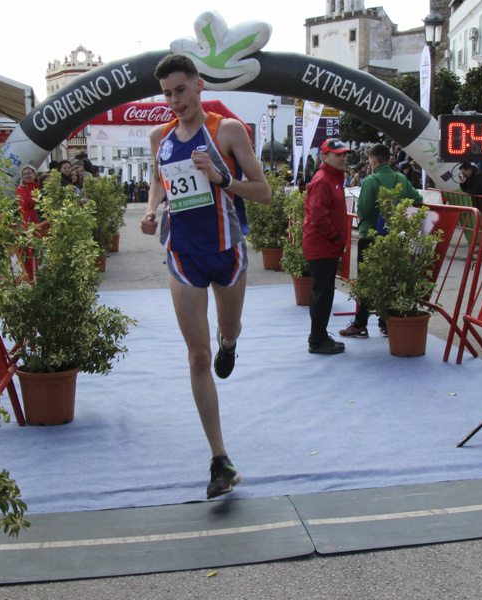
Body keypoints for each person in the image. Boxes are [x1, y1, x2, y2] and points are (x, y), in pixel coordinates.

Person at [139, 54, 271, 499]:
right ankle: (220, 460)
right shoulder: (159, 137)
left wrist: (221, 179)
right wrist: (152, 208)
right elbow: (160, 180)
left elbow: (265, 193)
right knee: (197, 357)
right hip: (183, 256)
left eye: (181, 90)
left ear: (198, 86)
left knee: (227, 330)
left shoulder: (227, 131)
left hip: (227, 253)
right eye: (167, 93)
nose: (175, 100)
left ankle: (229, 343)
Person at [339, 143, 423, 339]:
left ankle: (360, 324)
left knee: (367, 281)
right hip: (394, 237)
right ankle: (386, 322)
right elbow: (417, 198)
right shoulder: (400, 178)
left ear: (373, 161)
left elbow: (364, 211)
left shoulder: (370, 181)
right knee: (389, 278)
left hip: (370, 236)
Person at [304, 138, 351, 355]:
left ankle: (319, 336)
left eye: (344, 154)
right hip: (322, 246)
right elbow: (318, 216)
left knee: (323, 292)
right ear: (325, 157)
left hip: (326, 245)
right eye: (337, 154)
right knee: (322, 293)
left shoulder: (332, 178)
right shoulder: (323, 180)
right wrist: (335, 237)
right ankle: (317, 339)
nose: (342, 157)